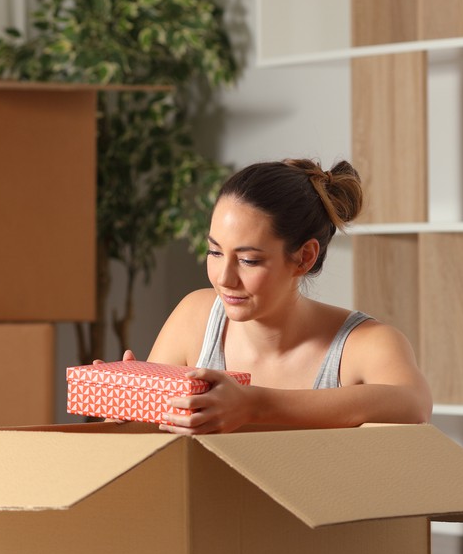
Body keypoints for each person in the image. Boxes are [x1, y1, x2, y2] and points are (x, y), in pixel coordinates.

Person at [135, 157, 432, 434]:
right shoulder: (195, 317)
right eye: (214, 252)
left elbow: (414, 405)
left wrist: (255, 405)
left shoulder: (363, 344)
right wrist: (124, 399)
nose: (223, 279)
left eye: (248, 260)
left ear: (304, 257)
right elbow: (145, 438)